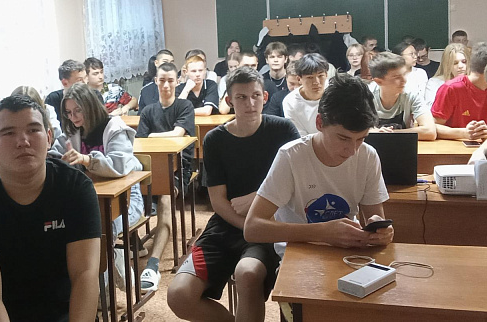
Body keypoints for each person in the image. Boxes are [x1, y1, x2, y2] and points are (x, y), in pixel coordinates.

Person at [0, 95, 101, 322]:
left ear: (49, 138)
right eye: (8, 133)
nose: (23, 141)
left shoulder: (75, 188)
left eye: (33, 130)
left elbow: (85, 276)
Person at [167, 67, 300, 322]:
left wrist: (258, 197)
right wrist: (248, 225)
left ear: (265, 96)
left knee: (248, 273)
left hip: (269, 225)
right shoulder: (215, 139)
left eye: (256, 96)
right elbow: (219, 201)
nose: (250, 103)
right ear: (229, 100)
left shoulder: (283, 129)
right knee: (179, 295)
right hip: (226, 225)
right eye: (241, 97)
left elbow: (298, 180)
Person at [245, 73, 393, 257]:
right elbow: (252, 228)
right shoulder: (291, 156)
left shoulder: (368, 155)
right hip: (299, 257)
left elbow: (374, 218)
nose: (352, 151)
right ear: (319, 122)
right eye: (343, 138)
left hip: (349, 252)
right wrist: (322, 233)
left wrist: (380, 232)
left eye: (361, 139)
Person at [50, 82, 143, 291]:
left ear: (90, 106)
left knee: (102, 228)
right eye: (68, 113)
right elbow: (56, 155)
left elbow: (118, 165)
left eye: (77, 110)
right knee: (72, 226)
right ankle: (105, 278)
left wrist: (86, 160)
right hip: (91, 199)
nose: (73, 117)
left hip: (127, 199)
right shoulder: (72, 132)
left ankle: (102, 287)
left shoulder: (114, 127)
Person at [136, 62, 196, 293]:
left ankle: (152, 265)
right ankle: (133, 243)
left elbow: (178, 134)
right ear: (155, 81)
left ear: (177, 81)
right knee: (126, 196)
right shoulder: (148, 111)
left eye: (171, 80)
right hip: (151, 168)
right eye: (162, 80)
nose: (166, 85)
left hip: (179, 169)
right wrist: (156, 137)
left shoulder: (184, 106)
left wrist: (153, 135)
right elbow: (140, 144)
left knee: (165, 199)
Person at [432, 42, 487, 140]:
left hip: (485, 144)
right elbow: (434, 127)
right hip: (454, 145)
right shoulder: (451, 88)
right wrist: (464, 133)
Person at [369, 52, 436, 140]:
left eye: (404, 74)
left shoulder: (411, 93)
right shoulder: (365, 95)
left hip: (403, 144)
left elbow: (430, 131)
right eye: (396, 77)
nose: (404, 80)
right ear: (379, 81)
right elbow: (354, 130)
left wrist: (388, 134)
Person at [283, 54, 329, 136]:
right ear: (299, 79)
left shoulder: (336, 90)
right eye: (310, 77)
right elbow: (300, 136)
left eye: (320, 76)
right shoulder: (290, 102)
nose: (316, 82)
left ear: (326, 75)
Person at [424, 43, 469, 107]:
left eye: (464, 62)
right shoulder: (434, 83)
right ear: (447, 64)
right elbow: (430, 108)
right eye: (455, 63)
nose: (460, 66)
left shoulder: (474, 83)